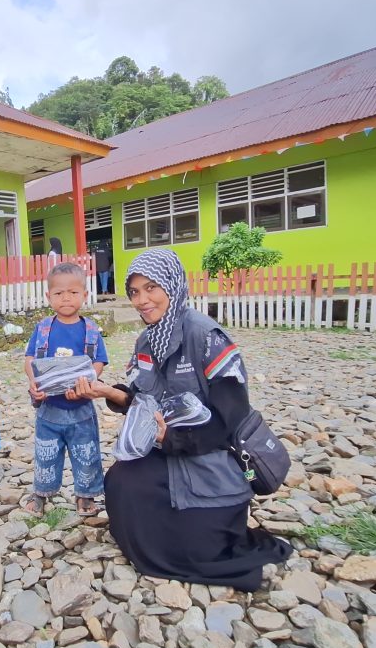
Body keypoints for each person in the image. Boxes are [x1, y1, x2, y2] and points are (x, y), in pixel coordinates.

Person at [76, 249, 291, 590]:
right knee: (120, 481)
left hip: (213, 456)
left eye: (151, 288)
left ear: (173, 286)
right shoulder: (148, 340)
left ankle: (201, 538)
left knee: (194, 541)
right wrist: (110, 393)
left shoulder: (205, 336)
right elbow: (143, 401)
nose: (142, 300)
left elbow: (227, 420)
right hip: (171, 450)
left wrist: (170, 440)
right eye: (134, 292)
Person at [22, 262, 109, 517]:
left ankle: (86, 495)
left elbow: (99, 362)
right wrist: (33, 382)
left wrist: (87, 383)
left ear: (84, 295)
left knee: (86, 453)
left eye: (73, 292)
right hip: (49, 407)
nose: (66, 298)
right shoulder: (43, 329)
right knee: (46, 453)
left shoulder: (91, 330)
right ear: (48, 297)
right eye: (59, 293)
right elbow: (30, 359)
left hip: (81, 407)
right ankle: (41, 492)